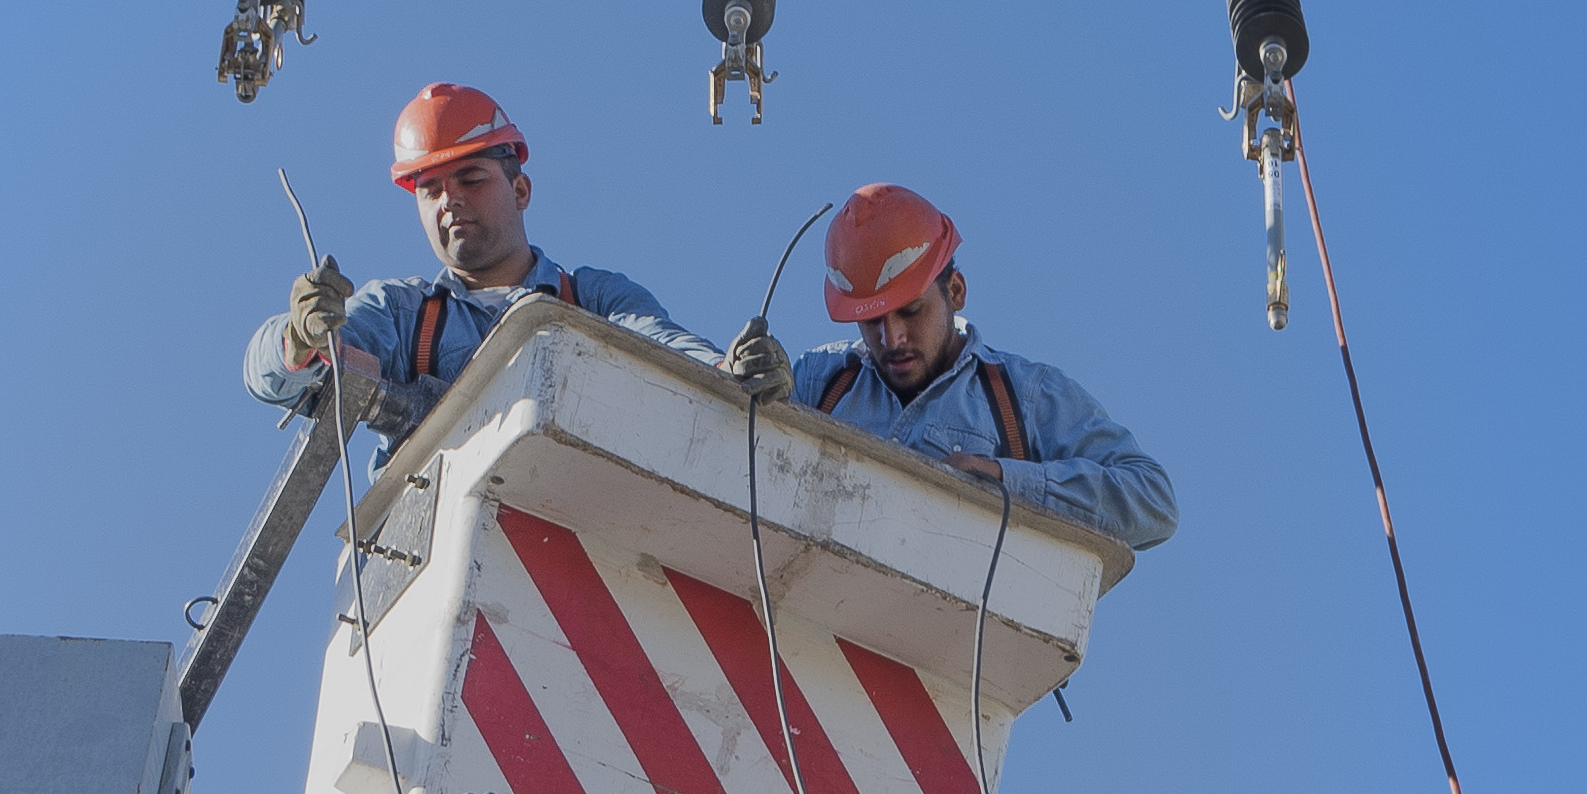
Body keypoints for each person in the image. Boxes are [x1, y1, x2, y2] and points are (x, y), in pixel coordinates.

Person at [247, 81, 704, 435]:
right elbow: (272, 378)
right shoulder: (402, 314)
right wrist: (297, 337)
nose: (450, 201)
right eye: (431, 191)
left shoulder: (592, 299)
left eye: (471, 179)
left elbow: (669, 353)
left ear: (519, 191)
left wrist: (740, 377)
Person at [747, 181, 1177, 553]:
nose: (891, 338)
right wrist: (737, 379)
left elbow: (1152, 500)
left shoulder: (1026, 397)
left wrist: (1004, 478)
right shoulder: (818, 381)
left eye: (911, 311)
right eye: (872, 321)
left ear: (955, 290)